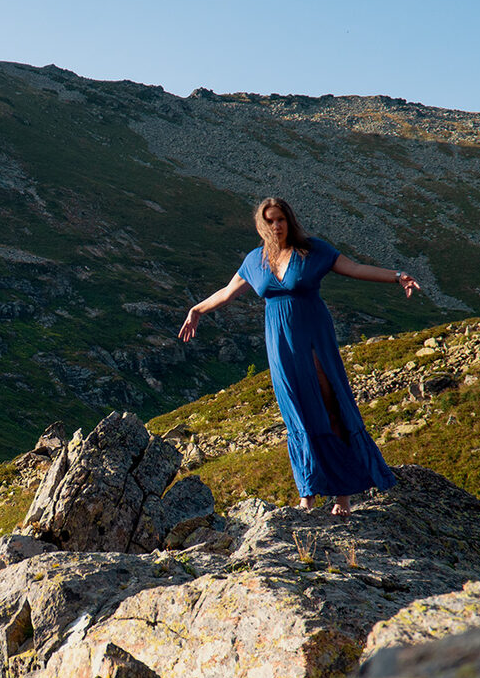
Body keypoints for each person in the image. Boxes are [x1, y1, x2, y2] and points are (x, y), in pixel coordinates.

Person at [178, 197, 420, 518]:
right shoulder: (255, 260)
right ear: (261, 226)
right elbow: (227, 292)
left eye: (280, 219)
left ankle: (342, 496)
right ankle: (307, 493)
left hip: (314, 339)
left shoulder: (313, 250)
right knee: (297, 415)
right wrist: (196, 310)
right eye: (269, 221)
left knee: (329, 405)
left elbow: (355, 268)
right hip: (279, 346)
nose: (276, 226)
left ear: (289, 220)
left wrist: (396, 275)